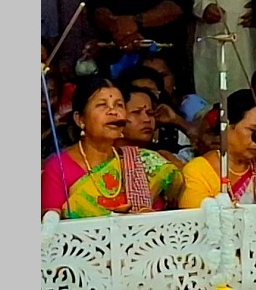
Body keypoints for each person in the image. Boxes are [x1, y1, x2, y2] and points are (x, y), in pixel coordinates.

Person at [41, 77, 183, 218]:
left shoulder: (141, 162)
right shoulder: (58, 167)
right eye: (102, 105)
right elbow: (51, 226)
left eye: (119, 105)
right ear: (80, 119)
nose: (113, 112)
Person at [117, 84, 185, 168]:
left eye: (150, 113)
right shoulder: (103, 157)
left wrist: (176, 120)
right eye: (136, 112)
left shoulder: (163, 159)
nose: (147, 119)